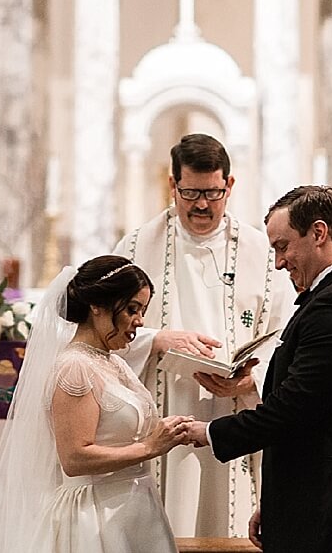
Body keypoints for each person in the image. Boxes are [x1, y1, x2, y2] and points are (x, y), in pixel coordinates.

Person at [187, 186, 332, 553]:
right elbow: (312, 421)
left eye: (283, 246)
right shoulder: (331, 297)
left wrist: (208, 432)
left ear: (318, 233)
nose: (279, 262)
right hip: (311, 501)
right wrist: (275, 499)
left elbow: (293, 409)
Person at [110, 133, 297, 537]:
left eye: (213, 193)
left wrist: (251, 379)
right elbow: (103, 336)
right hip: (162, 406)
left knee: (224, 521)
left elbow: (284, 337)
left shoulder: (261, 253)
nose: (201, 204)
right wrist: (157, 339)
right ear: (172, 185)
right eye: (190, 191)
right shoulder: (135, 248)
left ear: (229, 185)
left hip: (235, 411)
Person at [0, 255, 194, 553]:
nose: (140, 321)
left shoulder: (113, 361)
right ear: (97, 306)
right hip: (95, 516)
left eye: (142, 310)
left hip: (135, 506)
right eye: (132, 309)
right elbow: (75, 458)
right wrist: (149, 448)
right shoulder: (74, 367)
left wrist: (177, 430)